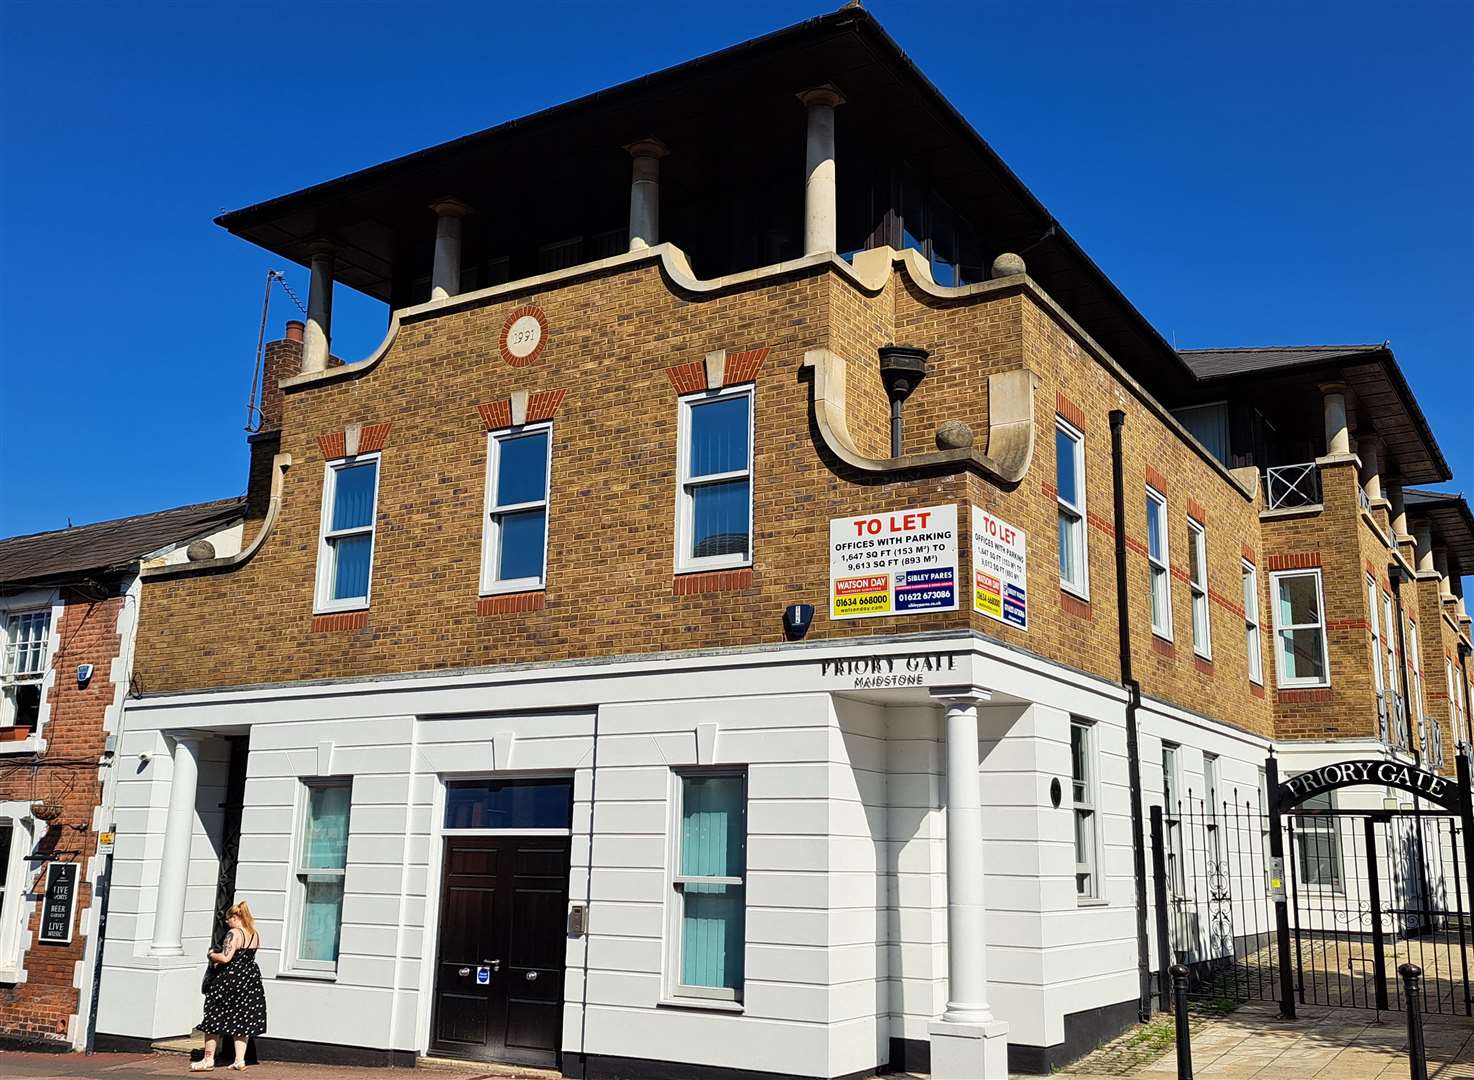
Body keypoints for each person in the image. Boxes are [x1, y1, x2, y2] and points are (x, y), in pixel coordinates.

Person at [192, 901, 268, 1071]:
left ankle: (208, 1059)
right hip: (249, 979)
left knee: (213, 1017)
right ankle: (239, 1060)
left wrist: (211, 954)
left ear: (236, 917)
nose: (227, 922)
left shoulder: (234, 933)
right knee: (242, 1019)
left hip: (229, 979)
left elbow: (226, 958)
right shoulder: (254, 934)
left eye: (229, 919)